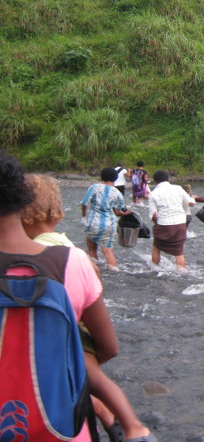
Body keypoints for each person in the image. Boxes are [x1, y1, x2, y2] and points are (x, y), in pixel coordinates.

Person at [20, 174, 156, 442]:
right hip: (103, 233)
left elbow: (85, 205)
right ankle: (131, 426)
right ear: (57, 213)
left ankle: (111, 419)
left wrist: (86, 217)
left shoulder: (30, 247)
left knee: (93, 248)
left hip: (91, 223)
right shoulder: (64, 247)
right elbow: (118, 211)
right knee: (92, 374)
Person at [0, 151, 118, 442]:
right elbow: (109, 347)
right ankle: (126, 424)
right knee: (104, 253)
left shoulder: (93, 191)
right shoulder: (71, 260)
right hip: (63, 421)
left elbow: (84, 205)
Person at [81, 167, 131, 271]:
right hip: (109, 224)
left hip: (93, 222)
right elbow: (117, 212)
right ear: (116, 178)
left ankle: (95, 270)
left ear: (102, 177)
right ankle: (114, 271)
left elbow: (84, 203)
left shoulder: (94, 187)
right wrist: (124, 213)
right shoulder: (118, 194)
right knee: (108, 251)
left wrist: (84, 215)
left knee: (92, 249)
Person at [148, 170, 195, 271]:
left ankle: (154, 269)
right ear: (168, 179)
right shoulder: (178, 188)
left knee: (156, 247)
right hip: (180, 224)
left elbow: (153, 215)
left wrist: (157, 224)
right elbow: (191, 203)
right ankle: (182, 273)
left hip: (164, 224)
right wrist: (192, 198)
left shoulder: (153, 194)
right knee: (179, 252)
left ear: (155, 181)